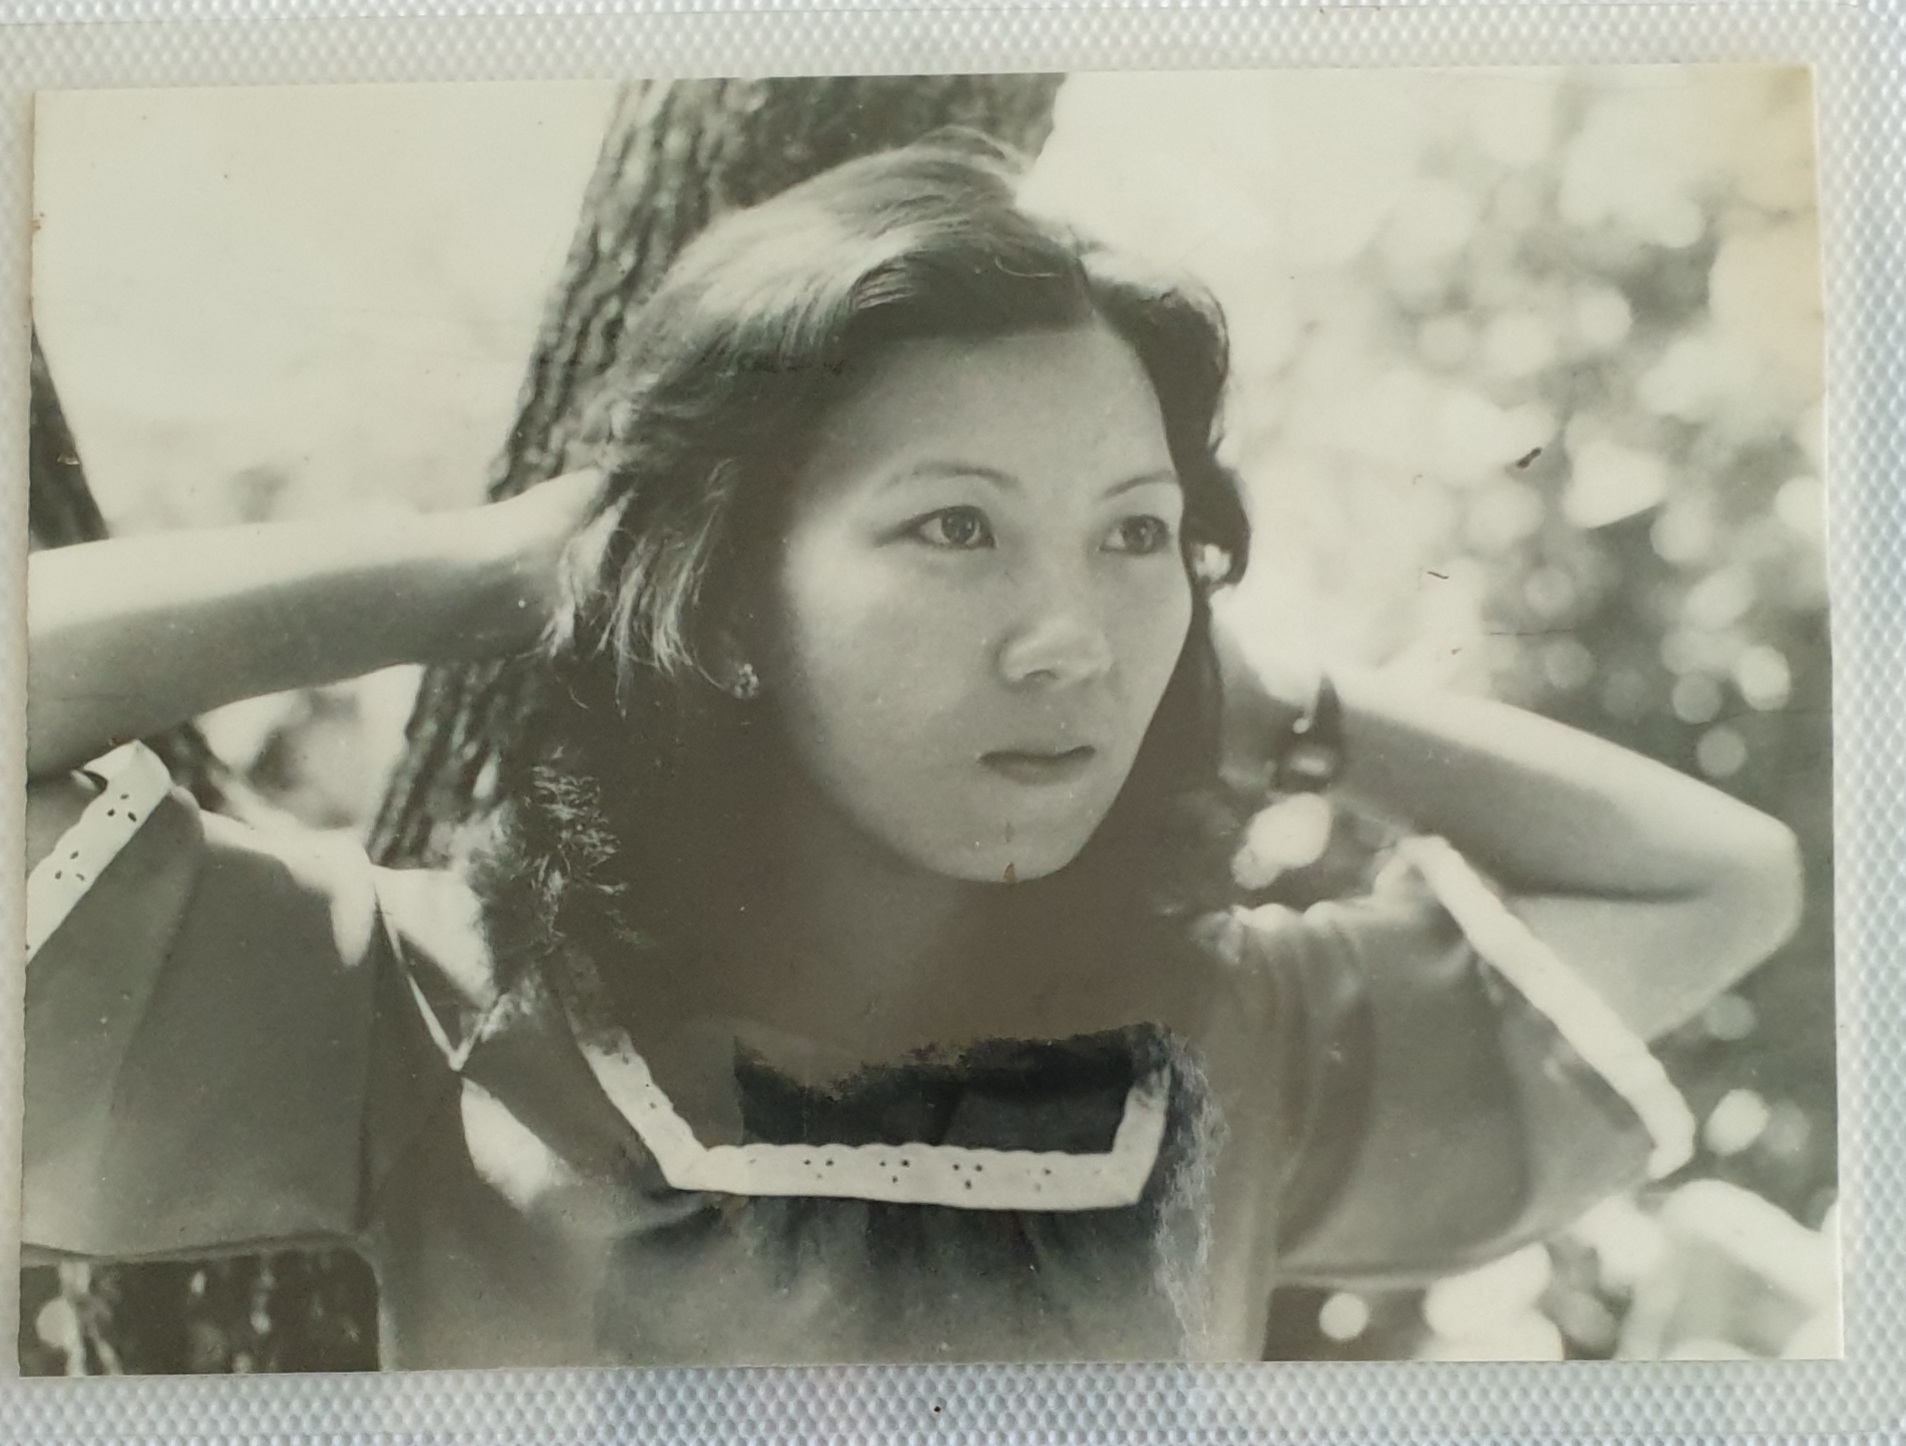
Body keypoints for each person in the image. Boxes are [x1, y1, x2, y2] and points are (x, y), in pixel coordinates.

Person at [20, 136, 1801, 1367]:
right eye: (957, 527)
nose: (1070, 638)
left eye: (1135, 532)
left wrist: (1277, 710)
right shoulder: (432, 1004)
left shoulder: (1221, 1047)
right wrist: (505, 567)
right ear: (727, 593)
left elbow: (1722, 881)